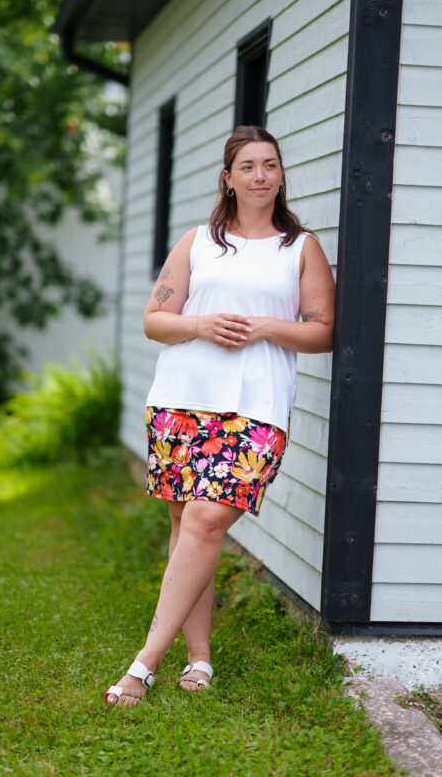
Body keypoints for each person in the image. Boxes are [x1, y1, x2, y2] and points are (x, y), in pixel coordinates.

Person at [104, 125, 335, 706]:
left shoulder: (300, 248)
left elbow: (323, 332)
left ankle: (143, 665)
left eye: (270, 165)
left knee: (206, 521)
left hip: (256, 408)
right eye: (248, 166)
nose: (261, 176)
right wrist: (200, 325)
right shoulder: (198, 243)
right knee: (188, 527)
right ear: (228, 178)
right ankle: (199, 658)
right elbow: (155, 320)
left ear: (281, 175)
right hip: (182, 400)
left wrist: (266, 327)